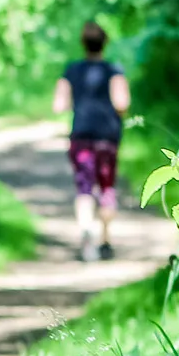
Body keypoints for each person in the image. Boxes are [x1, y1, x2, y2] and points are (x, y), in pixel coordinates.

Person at [53, 21, 131, 263]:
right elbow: (122, 103)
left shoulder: (71, 70)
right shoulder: (114, 70)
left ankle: (86, 234)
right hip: (107, 137)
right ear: (104, 43)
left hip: (81, 136)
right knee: (106, 186)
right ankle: (105, 240)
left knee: (84, 187)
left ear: (83, 43)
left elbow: (59, 104)